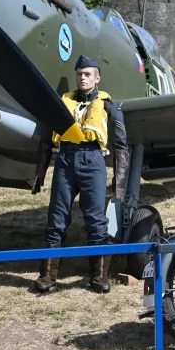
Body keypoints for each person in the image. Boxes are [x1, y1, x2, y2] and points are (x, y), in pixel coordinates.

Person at [31, 54, 130, 295]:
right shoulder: (61, 105)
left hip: (93, 159)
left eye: (87, 74)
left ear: (97, 78)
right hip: (65, 159)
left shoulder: (108, 106)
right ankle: (48, 276)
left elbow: (121, 147)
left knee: (96, 219)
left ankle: (99, 276)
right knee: (56, 218)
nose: (82, 78)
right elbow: (46, 140)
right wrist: (40, 174)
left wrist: (119, 185)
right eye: (79, 74)